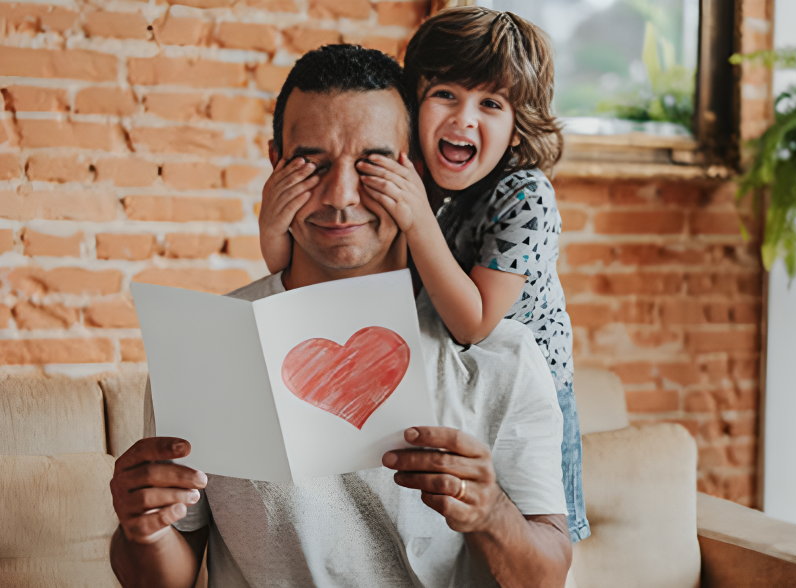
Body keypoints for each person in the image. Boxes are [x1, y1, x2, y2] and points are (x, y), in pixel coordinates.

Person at [108, 45, 572, 588]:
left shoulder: (502, 356)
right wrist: (143, 528)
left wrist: (491, 513)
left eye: (373, 165)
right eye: (313, 165)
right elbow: (168, 576)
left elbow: (547, 576)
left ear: (418, 170)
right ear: (275, 161)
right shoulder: (204, 350)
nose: (340, 197)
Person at [258, 7, 590, 544]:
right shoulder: (430, 186)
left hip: (528, 393)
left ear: (517, 126)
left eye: (491, 104)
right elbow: (282, 273)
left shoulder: (526, 198)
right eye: (445, 95)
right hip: (448, 380)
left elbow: (474, 323)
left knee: (538, 533)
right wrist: (275, 219)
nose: (464, 119)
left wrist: (416, 218)